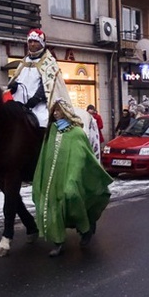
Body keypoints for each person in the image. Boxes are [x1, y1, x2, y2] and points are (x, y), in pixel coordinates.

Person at [32, 100, 112, 257]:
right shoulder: (52, 131)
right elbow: (45, 155)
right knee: (53, 206)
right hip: (53, 178)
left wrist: (72, 178)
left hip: (71, 176)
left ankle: (85, 229)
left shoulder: (76, 133)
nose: (55, 113)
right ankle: (58, 242)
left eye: (59, 111)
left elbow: (80, 157)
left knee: (72, 198)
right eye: (54, 111)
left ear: (66, 113)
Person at [8, 28, 71, 128]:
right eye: (30, 41)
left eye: (36, 41)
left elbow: (47, 84)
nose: (32, 44)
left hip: (38, 105)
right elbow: (17, 77)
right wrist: (13, 85)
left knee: (42, 121)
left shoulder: (49, 62)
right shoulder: (24, 61)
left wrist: (34, 100)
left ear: (42, 43)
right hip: (19, 102)